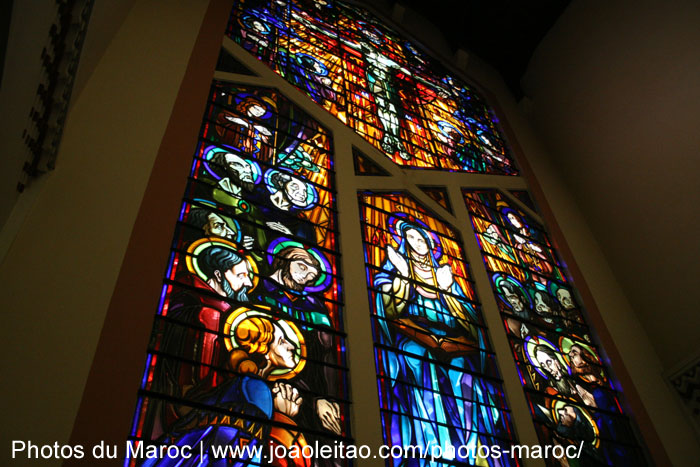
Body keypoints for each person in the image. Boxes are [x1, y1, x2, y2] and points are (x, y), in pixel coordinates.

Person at [374, 220, 497, 463]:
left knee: (466, 377)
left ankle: (470, 450)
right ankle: (434, 449)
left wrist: (448, 290)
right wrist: (403, 277)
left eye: (420, 239)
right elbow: (387, 310)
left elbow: (470, 321)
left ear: (430, 243)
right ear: (404, 243)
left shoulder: (444, 274)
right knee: (419, 359)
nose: (417, 243)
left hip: (452, 340)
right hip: (413, 335)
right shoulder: (396, 267)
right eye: (410, 239)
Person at [142, 314, 310, 467]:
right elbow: (249, 449)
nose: (291, 346)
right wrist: (283, 418)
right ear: (264, 351)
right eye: (282, 341)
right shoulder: (255, 389)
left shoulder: (241, 386)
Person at [155, 245, 255, 433]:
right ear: (218, 275)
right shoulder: (193, 301)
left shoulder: (237, 315)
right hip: (186, 406)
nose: (249, 283)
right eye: (241, 275)